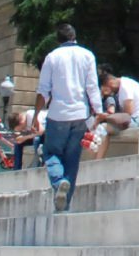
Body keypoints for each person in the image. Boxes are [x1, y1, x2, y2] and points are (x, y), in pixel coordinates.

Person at [34, 23, 104, 212]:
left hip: (58, 114)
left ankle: (59, 182)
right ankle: (66, 202)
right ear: (74, 37)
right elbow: (92, 87)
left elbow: (43, 91)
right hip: (80, 114)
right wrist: (98, 111)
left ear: (58, 39)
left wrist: (35, 115)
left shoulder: (52, 57)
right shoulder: (87, 55)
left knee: (51, 153)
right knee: (72, 159)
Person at [88, 69, 139, 161]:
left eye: (105, 89)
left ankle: (96, 160)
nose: (107, 93)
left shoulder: (126, 87)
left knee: (102, 128)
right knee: (101, 130)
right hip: (131, 120)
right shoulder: (122, 88)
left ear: (109, 82)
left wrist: (104, 117)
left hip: (138, 120)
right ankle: (96, 159)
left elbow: (128, 113)